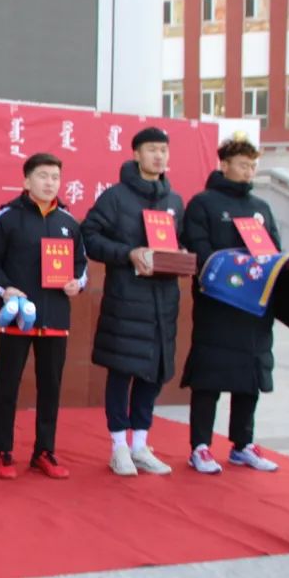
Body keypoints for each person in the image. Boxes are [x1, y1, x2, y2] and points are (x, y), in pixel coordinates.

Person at [81, 127, 184, 477]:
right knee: (122, 370)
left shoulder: (174, 202)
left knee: (153, 371)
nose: (159, 156)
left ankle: (140, 444)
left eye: (164, 150)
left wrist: (181, 256)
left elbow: (179, 242)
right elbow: (89, 236)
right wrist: (128, 253)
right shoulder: (115, 197)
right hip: (127, 300)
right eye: (152, 149)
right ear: (136, 154)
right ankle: (118, 447)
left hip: (163, 302)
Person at [0, 153, 87, 480]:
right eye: (42, 176)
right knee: (7, 386)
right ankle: (2, 450)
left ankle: (44, 450)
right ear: (26, 181)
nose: (50, 182)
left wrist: (77, 283)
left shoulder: (69, 222)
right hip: (17, 317)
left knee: (51, 388)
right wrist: (5, 290)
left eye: (55, 177)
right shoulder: (7, 217)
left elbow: (81, 265)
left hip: (56, 319)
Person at [181, 136, 281, 474]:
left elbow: (274, 253)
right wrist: (234, 274)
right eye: (243, 164)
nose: (249, 171)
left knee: (250, 378)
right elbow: (200, 251)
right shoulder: (203, 204)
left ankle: (242, 445)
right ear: (224, 165)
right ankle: (200, 447)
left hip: (254, 310)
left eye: (253, 166)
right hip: (217, 306)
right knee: (209, 377)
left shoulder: (261, 208)